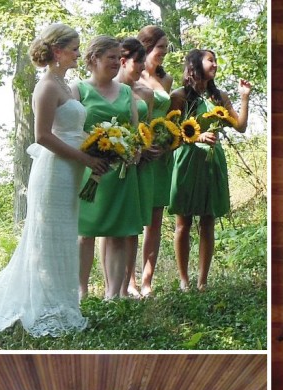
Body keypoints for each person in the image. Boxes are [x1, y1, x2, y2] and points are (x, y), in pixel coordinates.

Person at [0, 23, 108, 336]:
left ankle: (62, 305)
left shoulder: (65, 84)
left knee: (63, 239)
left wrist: (105, 147)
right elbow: (43, 135)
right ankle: (44, 308)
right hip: (53, 173)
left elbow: (71, 130)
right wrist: (86, 158)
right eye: (73, 48)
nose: (78, 53)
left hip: (70, 172)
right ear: (58, 51)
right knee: (48, 241)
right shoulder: (46, 86)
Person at [169, 50, 251, 290]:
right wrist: (195, 137)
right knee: (183, 222)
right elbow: (170, 134)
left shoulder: (219, 97)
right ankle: (184, 280)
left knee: (208, 221)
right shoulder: (179, 96)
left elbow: (242, 127)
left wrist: (244, 97)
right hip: (186, 161)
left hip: (213, 162)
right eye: (210, 60)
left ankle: (202, 281)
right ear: (195, 64)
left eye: (215, 61)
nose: (215, 64)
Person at [73, 36, 141, 300]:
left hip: (122, 171)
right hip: (91, 170)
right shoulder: (78, 90)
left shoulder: (126, 92)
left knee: (117, 232)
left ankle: (113, 294)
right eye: (111, 57)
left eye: (118, 57)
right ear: (93, 59)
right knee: (85, 233)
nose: (117, 62)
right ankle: (81, 290)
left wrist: (134, 151)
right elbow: (70, 129)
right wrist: (88, 153)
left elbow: (135, 131)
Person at [102, 37, 155, 298]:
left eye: (145, 61)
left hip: (140, 161)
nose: (143, 67)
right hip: (109, 161)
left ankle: (128, 284)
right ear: (124, 61)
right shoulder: (108, 90)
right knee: (110, 225)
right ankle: (112, 286)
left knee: (132, 224)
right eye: (138, 62)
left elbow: (147, 127)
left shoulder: (146, 93)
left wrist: (145, 148)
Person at [131, 24, 173, 298]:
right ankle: (128, 282)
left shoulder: (166, 80)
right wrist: (140, 146)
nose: (164, 54)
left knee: (155, 221)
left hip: (162, 158)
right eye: (161, 49)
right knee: (133, 219)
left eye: (166, 50)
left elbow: (172, 116)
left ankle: (147, 280)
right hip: (138, 156)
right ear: (146, 47)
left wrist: (169, 140)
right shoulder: (131, 78)